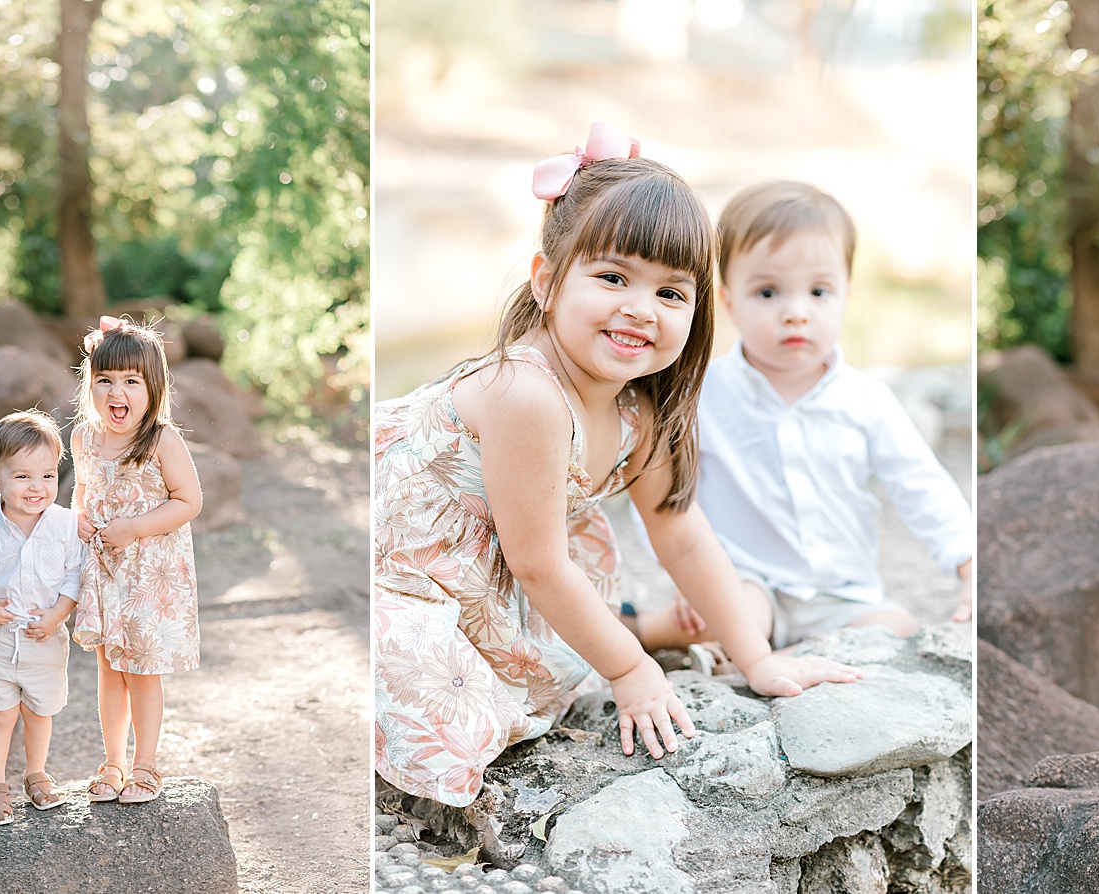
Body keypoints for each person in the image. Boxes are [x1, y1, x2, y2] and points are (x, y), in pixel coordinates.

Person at [374, 124, 860, 808]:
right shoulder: (526, 393)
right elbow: (541, 565)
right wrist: (630, 672)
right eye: (612, 277)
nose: (639, 309)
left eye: (671, 293)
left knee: (548, 667)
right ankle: (636, 635)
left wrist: (758, 658)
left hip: (495, 569)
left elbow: (681, 531)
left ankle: (634, 628)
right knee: (451, 721)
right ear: (546, 282)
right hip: (404, 568)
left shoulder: (641, 409)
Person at [628, 180, 972, 661]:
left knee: (896, 628)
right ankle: (648, 628)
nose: (796, 313)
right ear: (728, 301)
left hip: (840, 594)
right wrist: (686, 580)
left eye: (818, 291)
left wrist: (964, 555)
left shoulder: (865, 398)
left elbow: (918, 480)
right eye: (768, 292)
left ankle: (769, 659)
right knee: (717, 615)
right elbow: (660, 498)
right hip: (742, 580)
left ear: (845, 296)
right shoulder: (701, 394)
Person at [71, 317, 204, 806]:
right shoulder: (84, 439)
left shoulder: (161, 441)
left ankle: (146, 765)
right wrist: (79, 518)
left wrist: (134, 527)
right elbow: (84, 493)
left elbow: (188, 501)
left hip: (151, 575)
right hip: (105, 572)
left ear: (153, 388)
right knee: (109, 669)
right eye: (104, 380)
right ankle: (112, 761)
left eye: (131, 381)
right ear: (90, 385)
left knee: (143, 672)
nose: (116, 392)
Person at [0, 409, 84, 826]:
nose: (36, 487)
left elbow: (76, 574)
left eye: (46, 475)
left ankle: (36, 773)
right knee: (1, 713)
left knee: (40, 712)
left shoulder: (64, 526)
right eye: (21, 476)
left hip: (45, 637)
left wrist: (59, 615)